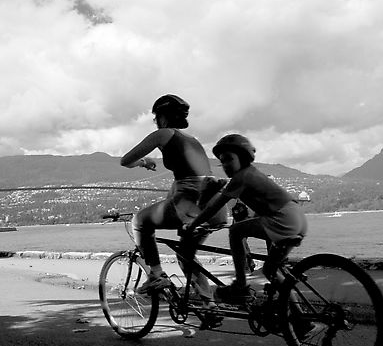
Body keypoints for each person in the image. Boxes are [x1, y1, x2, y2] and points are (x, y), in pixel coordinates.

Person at [120, 94, 227, 310]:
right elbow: (192, 177)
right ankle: (210, 306)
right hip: (216, 207)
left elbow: (125, 160)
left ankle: (156, 275)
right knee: (186, 257)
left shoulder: (163, 134)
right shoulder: (193, 141)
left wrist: (144, 162)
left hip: (191, 203)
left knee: (140, 221)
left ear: (161, 117)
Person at [183, 134, 308, 303]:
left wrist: (192, 224)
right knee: (271, 271)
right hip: (297, 218)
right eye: (222, 162)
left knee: (235, 231)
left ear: (242, 157)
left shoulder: (241, 177)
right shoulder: (253, 174)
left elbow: (214, 207)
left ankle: (240, 285)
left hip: (283, 219)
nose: (225, 165)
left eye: (229, 159)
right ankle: (299, 319)